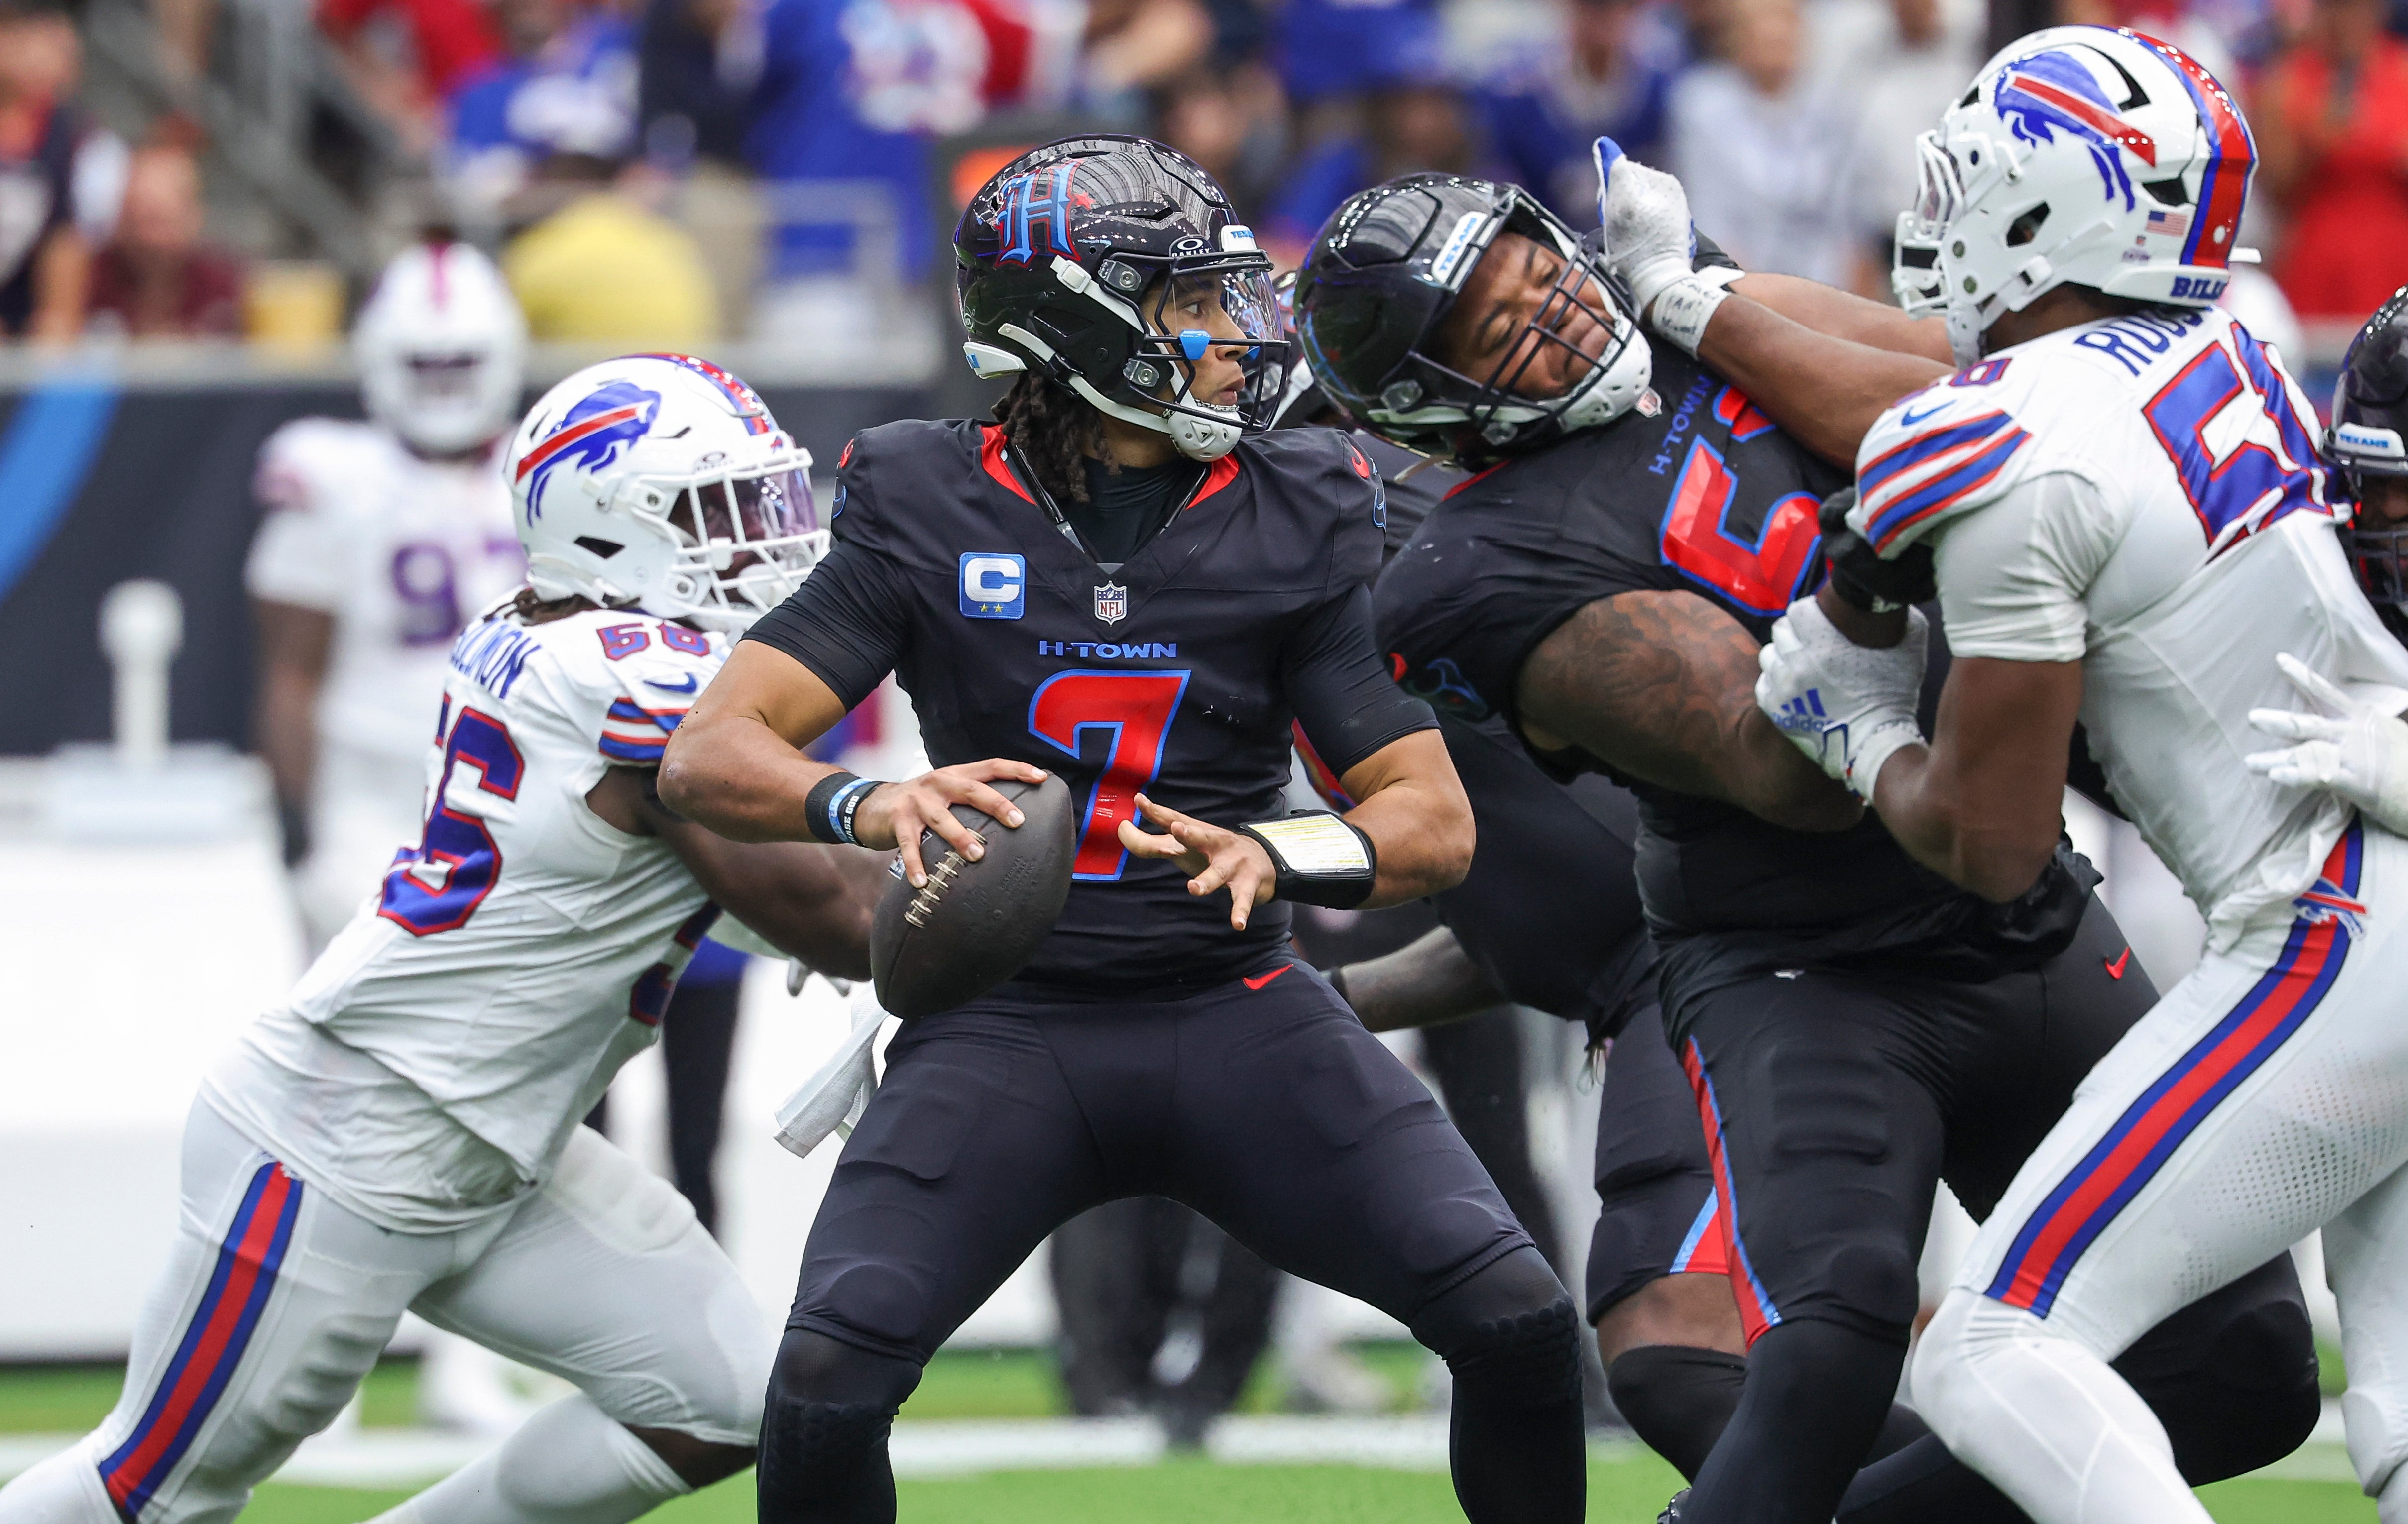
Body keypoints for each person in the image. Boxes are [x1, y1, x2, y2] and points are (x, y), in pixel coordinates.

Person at [1293, 160, 2320, 1524]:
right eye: (1496, 325)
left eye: (1538, 268)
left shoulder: (1682, 320)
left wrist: (1699, 296)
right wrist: (1866, 572)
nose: (1556, 312)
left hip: (2008, 901)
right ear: (1427, 400)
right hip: (1800, 963)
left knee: (2240, 1364)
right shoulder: (1466, 571)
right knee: (1827, 1348)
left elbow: (1973, 384)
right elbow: (1787, 772)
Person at [660, 134, 1589, 1524]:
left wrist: (1277, 848)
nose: (1235, 336)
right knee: (823, 1385)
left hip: (1236, 1001)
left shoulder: (1298, 499)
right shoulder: (925, 493)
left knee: (1517, 1318)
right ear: (1076, 322)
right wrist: (866, 799)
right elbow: (710, 749)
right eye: (1189, 304)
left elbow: (1428, 824)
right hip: (1002, 1024)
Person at [0, 352, 888, 1524]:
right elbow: (829, 911)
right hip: (352, 1137)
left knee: (724, 1402)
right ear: (611, 526)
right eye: (725, 511)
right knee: (153, 1489)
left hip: (501, 1142)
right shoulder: (637, 677)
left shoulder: (550, 636)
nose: (766, 542)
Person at [1733, 29, 2408, 1521]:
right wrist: (1701, 301)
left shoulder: (2005, 440)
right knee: (2405, 1405)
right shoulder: (2237, 325)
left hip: (2334, 927)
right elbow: (1982, 401)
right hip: (2383, 853)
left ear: (2040, 211)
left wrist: (1859, 726)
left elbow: (1989, 842)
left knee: (1991, 1340)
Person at [248, 240, 530, 954]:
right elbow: (291, 668)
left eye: (461, 363)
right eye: (424, 365)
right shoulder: (332, 471)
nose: (443, 385)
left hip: (524, 787)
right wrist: (295, 825)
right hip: (367, 792)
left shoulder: (543, 468)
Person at [85, 139, 245, 338]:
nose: (148, 239)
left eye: (160, 222)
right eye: (135, 221)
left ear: (193, 217)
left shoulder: (227, 288)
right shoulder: (86, 283)